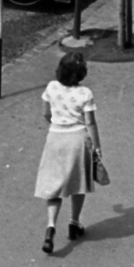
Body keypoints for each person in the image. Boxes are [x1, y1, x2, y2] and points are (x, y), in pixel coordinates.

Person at [30, 49, 102, 248]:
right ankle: (74, 222)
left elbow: (46, 114)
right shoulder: (85, 93)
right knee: (78, 183)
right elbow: (91, 123)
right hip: (78, 140)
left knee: (54, 186)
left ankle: (51, 227)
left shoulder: (52, 88)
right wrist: (97, 147)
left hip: (55, 138)